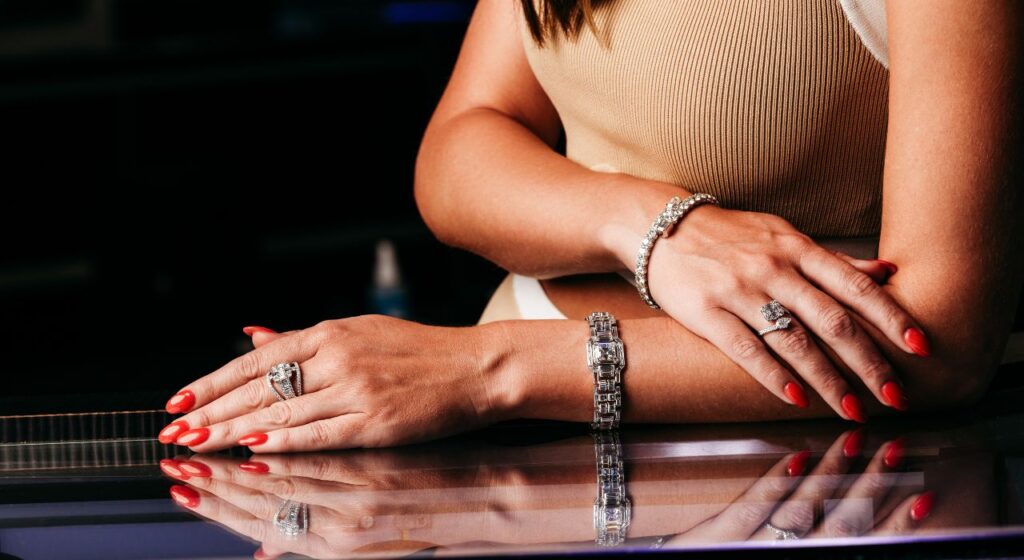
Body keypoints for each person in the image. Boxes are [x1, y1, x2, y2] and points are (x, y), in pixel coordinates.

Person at [157, 0, 1022, 452]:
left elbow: (939, 340)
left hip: (799, 479)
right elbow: (460, 145)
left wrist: (490, 369)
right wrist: (656, 229)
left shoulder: (488, 373)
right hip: (498, 454)